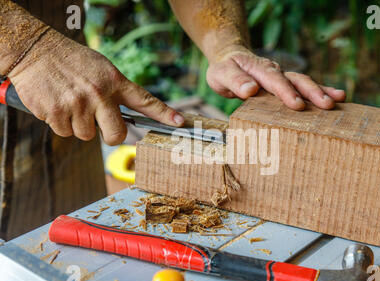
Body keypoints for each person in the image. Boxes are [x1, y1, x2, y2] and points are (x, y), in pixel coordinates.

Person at [0, 0, 345, 239]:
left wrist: (226, 46)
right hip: (27, 75)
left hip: (72, 125)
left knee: (69, 261)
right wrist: (27, 49)